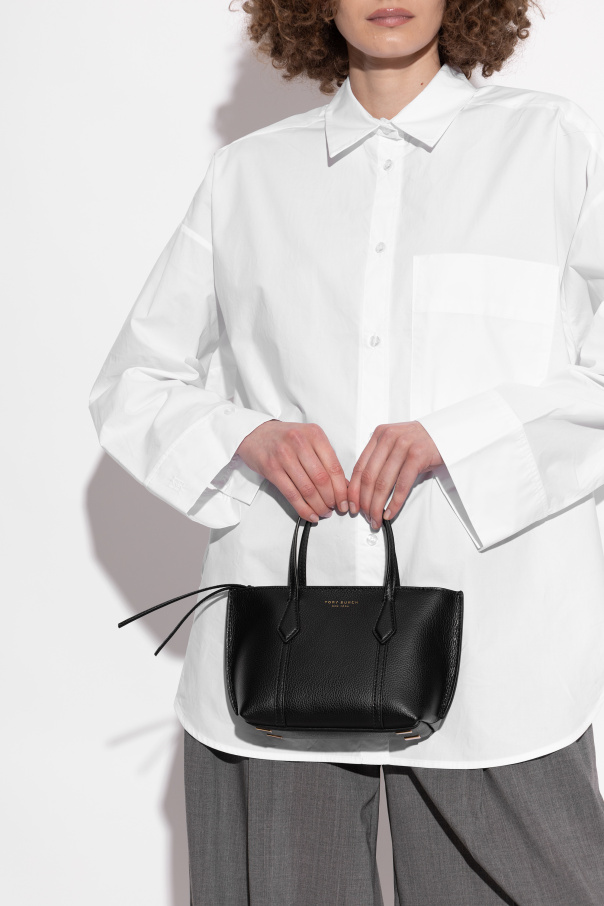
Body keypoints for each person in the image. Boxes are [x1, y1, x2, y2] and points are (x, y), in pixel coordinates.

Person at [88, 0, 604, 902]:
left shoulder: (548, 144)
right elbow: (135, 381)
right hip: (278, 646)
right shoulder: (249, 175)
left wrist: (459, 438)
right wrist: (247, 436)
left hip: (498, 644)